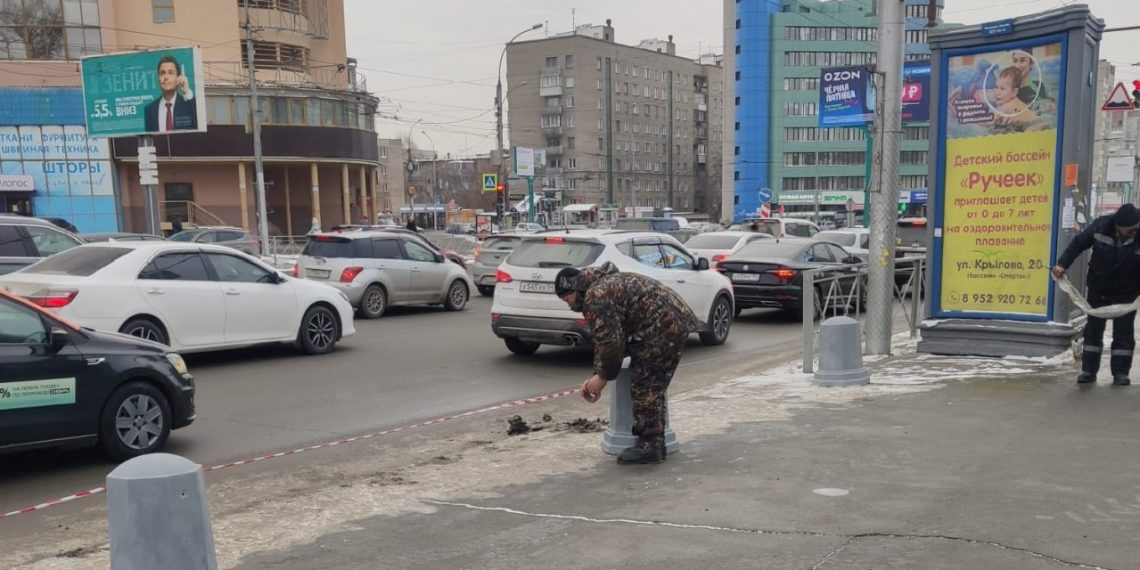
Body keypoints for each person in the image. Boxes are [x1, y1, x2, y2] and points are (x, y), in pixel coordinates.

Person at [555, 262, 703, 464]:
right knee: (650, 384)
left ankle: (650, 446)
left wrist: (602, 377)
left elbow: (611, 343)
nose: (568, 304)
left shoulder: (595, 296)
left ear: (574, 289)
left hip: (661, 327)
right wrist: (598, 373)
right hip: (667, 322)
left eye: (566, 298)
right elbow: (608, 337)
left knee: (646, 386)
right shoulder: (602, 284)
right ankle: (656, 442)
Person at [1053, 204, 1140, 386]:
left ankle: (1121, 373)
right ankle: (1088, 371)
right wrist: (1062, 264)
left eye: (1135, 230)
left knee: (1123, 333)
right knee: (1093, 331)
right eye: (1129, 231)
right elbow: (1078, 244)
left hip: (1129, 290)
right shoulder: (1101, 226)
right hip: (1099, 287)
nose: (1133, 233)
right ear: (1117, 225)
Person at [144, 54, 198, 133]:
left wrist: (186, 92)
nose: (166, 77)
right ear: (158, 78)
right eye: (162, 73)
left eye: (170, 72)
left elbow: (198, 122)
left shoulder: (188, 105)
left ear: (178, 77)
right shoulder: (150, 110)